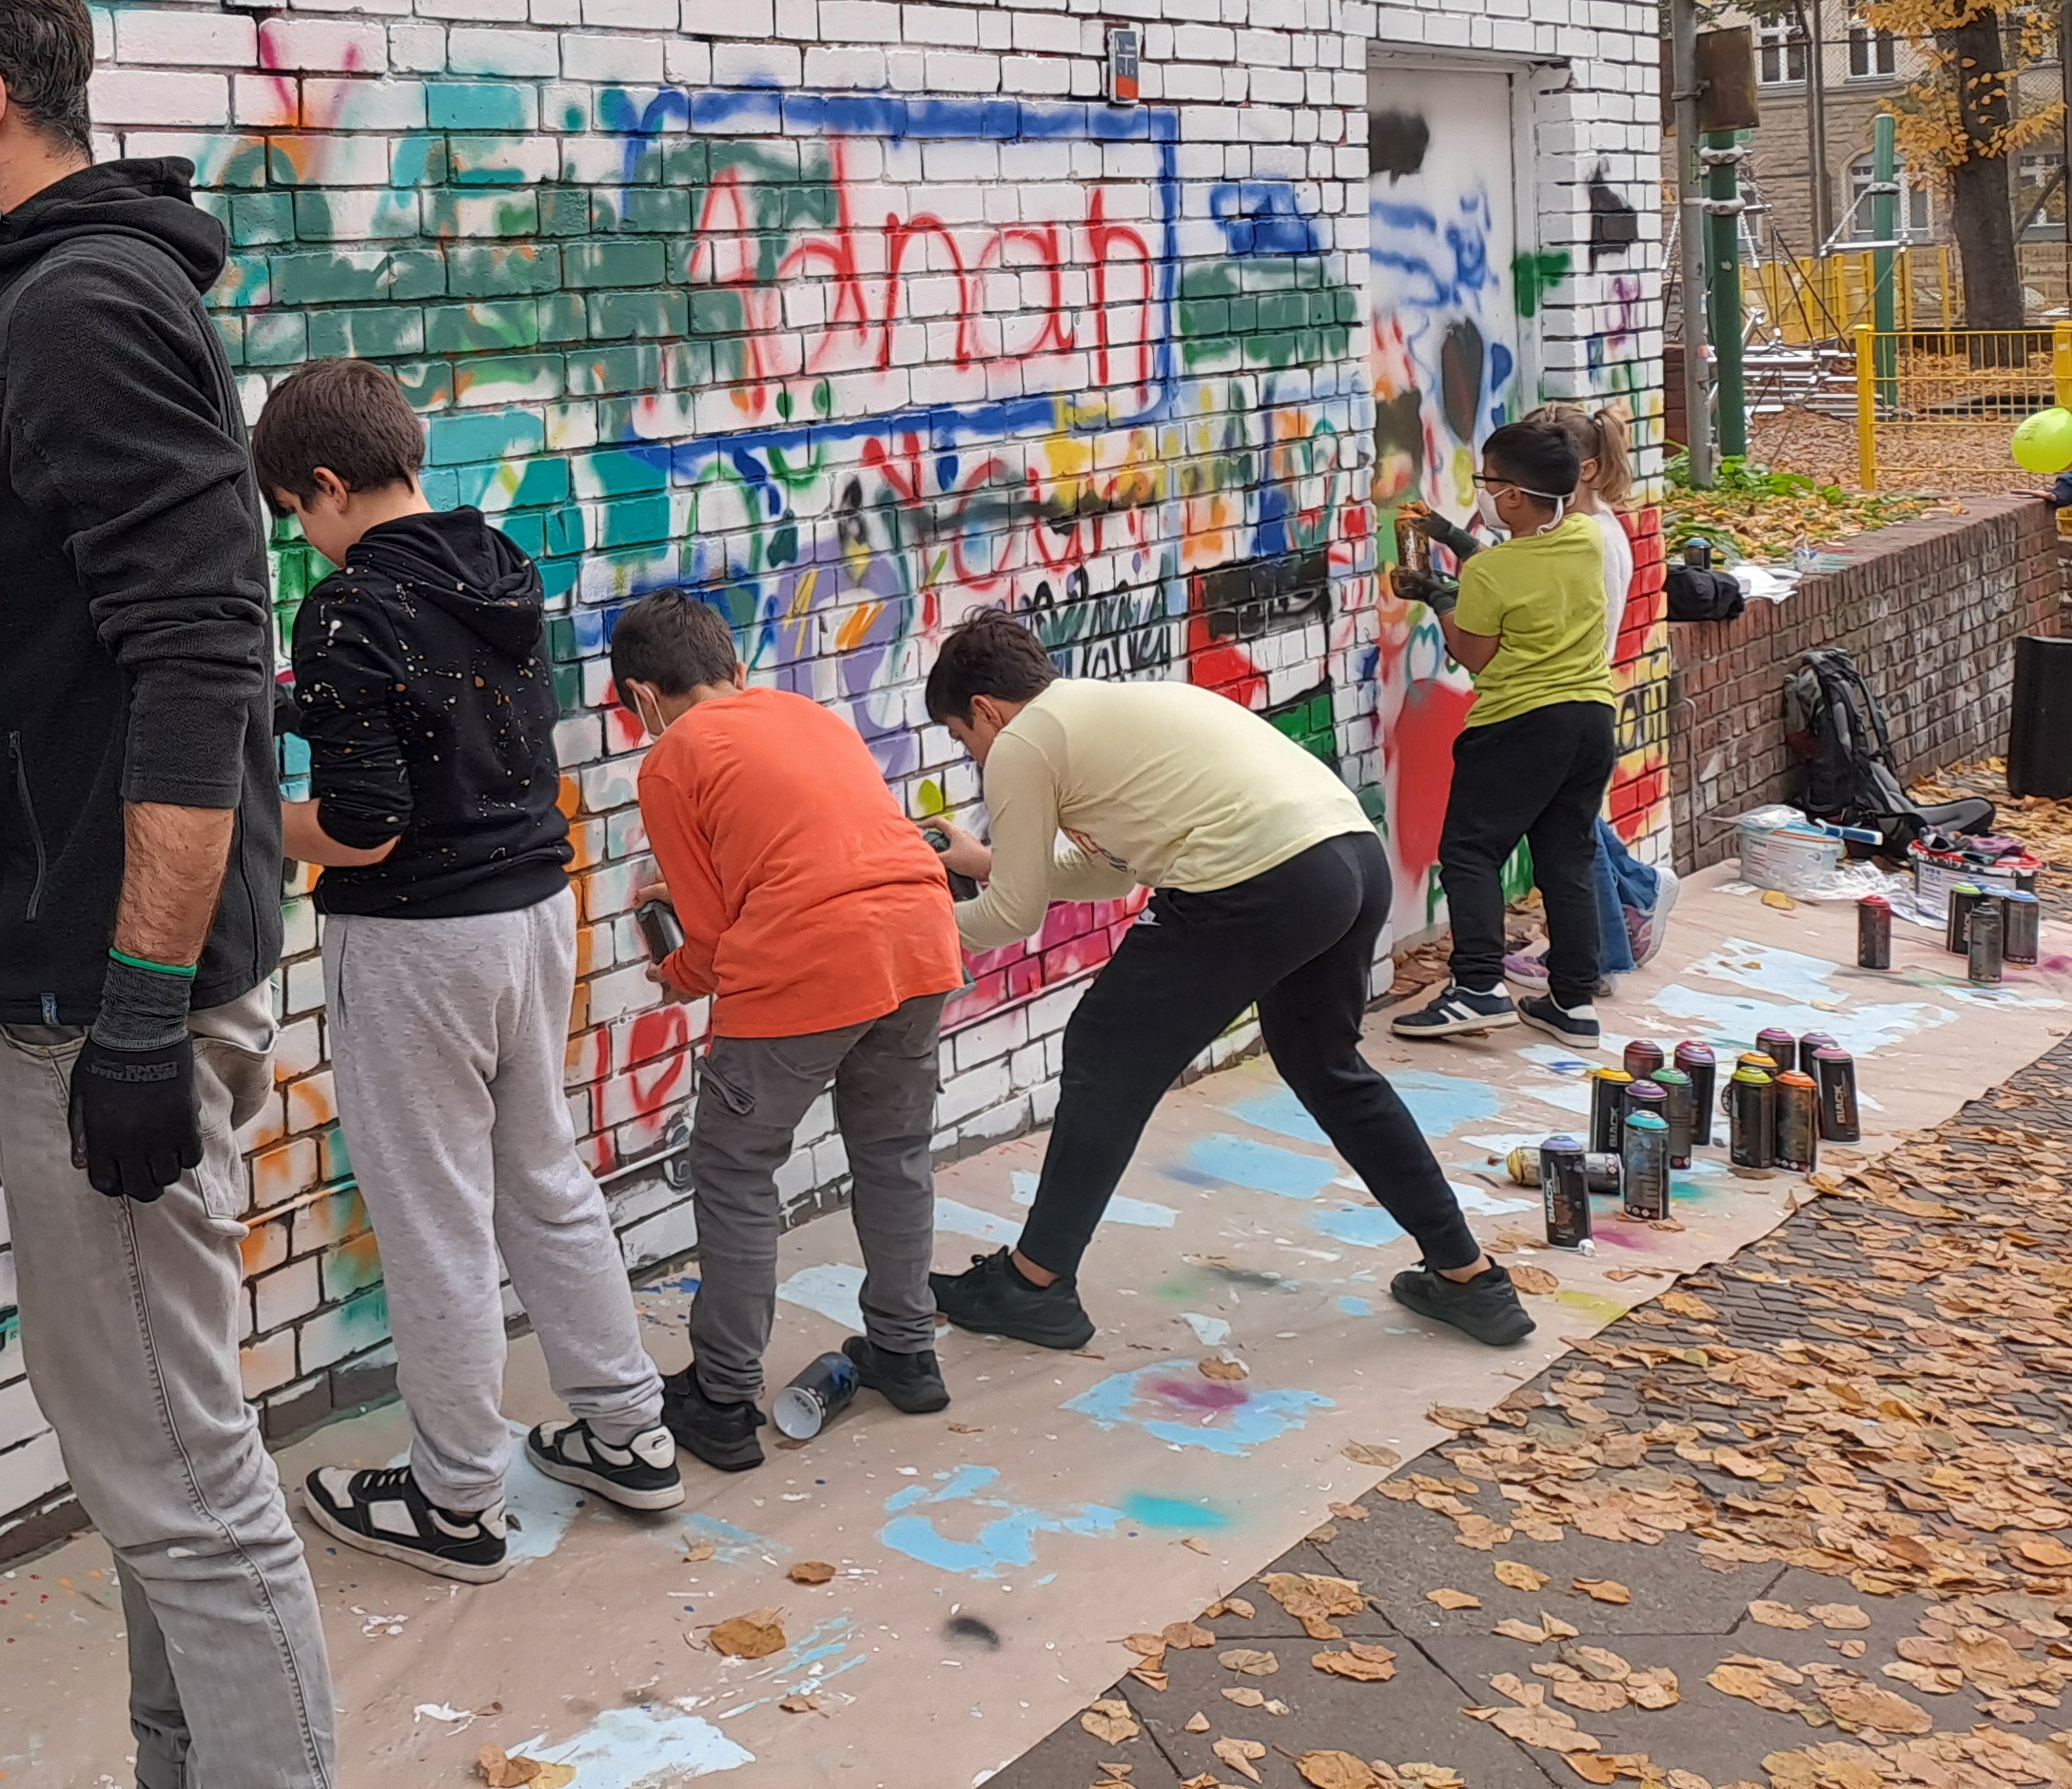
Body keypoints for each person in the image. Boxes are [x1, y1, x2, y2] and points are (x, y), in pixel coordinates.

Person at [0, 0, 335, 1789]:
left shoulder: (85, 313)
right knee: (150, 1468)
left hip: (106, 1012)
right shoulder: (72, 301)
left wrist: (131, 1007)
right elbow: (75, 687)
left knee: (182, 1483)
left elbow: (202, 655)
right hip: (57, 977)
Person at [252, 362, 679, 1582]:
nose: (299, 536)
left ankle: (452, 1502)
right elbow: (437, 711)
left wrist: (246, 814)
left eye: (294, 510)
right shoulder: (495, 566)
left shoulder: (343, 611)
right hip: (535, 912)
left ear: (327, 486)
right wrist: (298, 707)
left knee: (433, 1214)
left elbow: (366, 823)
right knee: (539, 1172)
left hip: (417, 939)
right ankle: (625, 1432)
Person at [921, 608, 1534, 1355]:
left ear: (985, 709)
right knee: (1327, 1067)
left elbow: (1012, 918)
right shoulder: (1115, 708)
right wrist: (986, 863)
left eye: (964, 739)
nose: (974, 755)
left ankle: (1036, 1286)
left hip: (1255, 881)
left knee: (1103, 1048)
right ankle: (1470, 1278)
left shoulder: (1022, 741)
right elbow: (1113, 870)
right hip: (1345, 859)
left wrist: (913, 923)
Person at [610, 590, 966, 1472]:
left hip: (811, 963)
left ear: (639, 698)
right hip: (918, 940)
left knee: (735, 1170)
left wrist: (674, 971)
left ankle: (722, 1399)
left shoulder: (671, 758)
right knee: (893, 1153)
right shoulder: (806, 713)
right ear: (734, 669)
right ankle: (907, 1351)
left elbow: (715, 937)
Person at [1387, 417, 1621, 1048]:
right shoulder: (1582, 538)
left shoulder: (1493, 576)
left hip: (1521, 723)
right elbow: (1514, 566)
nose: (1482, 490)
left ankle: (1478, 989)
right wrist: (1449, 539)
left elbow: (1477, 654)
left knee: (1471, 851)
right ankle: (1573, 1002)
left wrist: (1437, 599)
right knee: (1564, 858)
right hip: (1591, 719)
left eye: (1486, 481)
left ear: (1513, 495)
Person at [1512, 400, 1670, 981]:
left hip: (1564, 699)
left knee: (1572, 836)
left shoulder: (1585, 539)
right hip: (1580, 699)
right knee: (1576, 821)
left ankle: (1599, 953)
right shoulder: (1593, 527)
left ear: (1579, 470)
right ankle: (1639, 891)